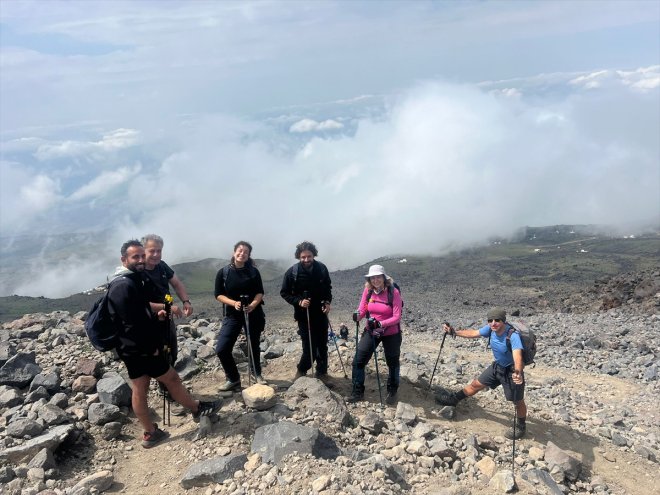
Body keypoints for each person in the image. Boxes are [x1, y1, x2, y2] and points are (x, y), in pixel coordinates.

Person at [108, 240, 221, 448]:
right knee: (171, 378)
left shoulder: (127, 280)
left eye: (143, 256)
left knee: (140, 387)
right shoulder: (124, 285)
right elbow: (132, 323)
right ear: (124, 260)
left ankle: (150, 433)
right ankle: (197, 408)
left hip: (129, 348)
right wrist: (151, 345)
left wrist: (157, 315)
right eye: (136, 257)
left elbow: (138, 313)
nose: (141, 260)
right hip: (141, 347)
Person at [435, 308, 527, 439]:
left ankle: (521, 426)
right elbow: (474, 333)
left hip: (511, 371)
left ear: (504, 321)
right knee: (476, 384)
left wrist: (518, 372)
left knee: (517, 401)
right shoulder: (490, 329)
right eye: (490, 320)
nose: (493, 323)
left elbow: (517, 356)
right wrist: (454, 332)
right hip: (497, 367)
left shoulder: (513, 335)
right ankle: (453, 399)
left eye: (497, 320)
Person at [214, 241, 266, 391]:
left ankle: (257, 374)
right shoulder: (223, 273)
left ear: (249, 255)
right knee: (222, 349)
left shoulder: (254, 272)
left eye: (246, 252)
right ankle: (233, 379)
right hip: (232, 314)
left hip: (253, 312)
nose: (242, 254)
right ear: (234, 252)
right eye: (240, 250)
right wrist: (234, 303)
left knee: (253, 345)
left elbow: (259, 292)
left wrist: (253, 305)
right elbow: (218, 295)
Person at [348, 265, 402, 405]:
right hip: (371, 330)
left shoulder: (393, 292)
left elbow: (397, 317)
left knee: (392, 362)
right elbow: (363, 308)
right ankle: (357, 391)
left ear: (384, 277)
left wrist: (380, 324)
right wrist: (358, 316)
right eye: (373, 277)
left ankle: (392, 390)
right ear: (369, 279)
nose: (376, 280)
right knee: (358, 361)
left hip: (391, 332)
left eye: (378, 276)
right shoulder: (368, 290)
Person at [280, 241, 332, 380]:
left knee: (322, 345)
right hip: (304, 315)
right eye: (303, 257)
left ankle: (322, 372)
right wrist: (299, 301)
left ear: (313, 255)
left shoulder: (321, 268)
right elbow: (284, 293)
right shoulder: (292, 272)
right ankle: (301, 370)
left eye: (309, 256)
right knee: (309, 348)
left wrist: (327, 302)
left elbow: (327, 288)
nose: (306, 259)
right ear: (298, 257)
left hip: (321, 313)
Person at [141, 233, 193, 367]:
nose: (156, 254)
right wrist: (166, 307)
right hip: (148, 321)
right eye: (152, 251)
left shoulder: (162, 266)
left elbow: (176, 283)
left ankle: (167, 382)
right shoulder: (138, 273)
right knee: (157, 355)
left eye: (159, 251)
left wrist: (186, 301)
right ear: (143, 251)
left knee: (171, 352)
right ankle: (166, 383)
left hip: (167, 319)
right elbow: (138, 302)